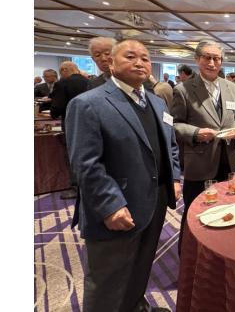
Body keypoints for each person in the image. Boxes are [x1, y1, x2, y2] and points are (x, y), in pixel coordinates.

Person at [65, 39, 181, 312]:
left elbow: (170, 145)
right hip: (117, 206)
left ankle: (136, 307)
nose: (139, 63)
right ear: (110, 62)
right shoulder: (88, 103)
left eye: (145, 58)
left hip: (155, 200)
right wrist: (110, 206)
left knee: (140, 267)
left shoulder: (157, 103)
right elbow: (85, 164)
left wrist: (174, 178)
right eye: (130, 56)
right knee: (108, 280)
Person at [171, 40, 235, 252]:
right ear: (197, 59)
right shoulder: (183, 89)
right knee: (196, 210)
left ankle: (222, 251)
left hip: (228, 158)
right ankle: (188, 255)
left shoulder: (231, 87)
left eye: (216, 58)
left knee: (226, 207)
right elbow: (174, 124)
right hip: (200, 161)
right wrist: (195, 133)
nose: (212, 63)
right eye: (207, 57)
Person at [50, 61, 90, 200]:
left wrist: (53, 113)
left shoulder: (62, 83)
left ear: (64, 70)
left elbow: (57, 108)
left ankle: (76, 188)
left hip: (72, 123)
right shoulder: (90, 82)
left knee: (73, 155)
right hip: (92, 121)